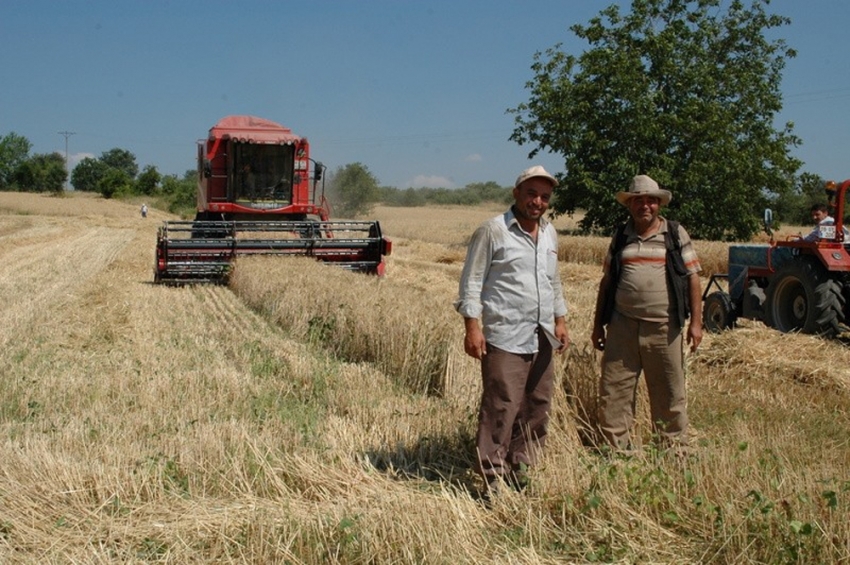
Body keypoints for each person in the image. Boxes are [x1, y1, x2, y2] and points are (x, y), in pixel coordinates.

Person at [455, 165, 570, 495]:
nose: (538, 201)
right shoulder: (493, 231)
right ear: (516, 192)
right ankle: (492, 477)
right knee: (501, 406)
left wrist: (560, 320)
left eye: (544, 197)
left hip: (542, 334)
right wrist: (472, 328)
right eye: (532, 193)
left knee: (537, 405)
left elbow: (553, 280)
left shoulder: (549, 233)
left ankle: (522, 469)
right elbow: (472, 281)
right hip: (505, 333)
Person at [590, 175, 702, 453]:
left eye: (651, 200)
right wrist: (597, 325)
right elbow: (606, 281)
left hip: (664, 328)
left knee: (669, 393)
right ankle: (616, 451)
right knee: (614, 391)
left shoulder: (675, 234)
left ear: (659, 204)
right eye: (638, 200)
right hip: (622, 326)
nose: (645, 206)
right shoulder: (621, 236)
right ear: (629, 205)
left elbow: (694, 279)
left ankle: (675, 451)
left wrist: (696, 324)